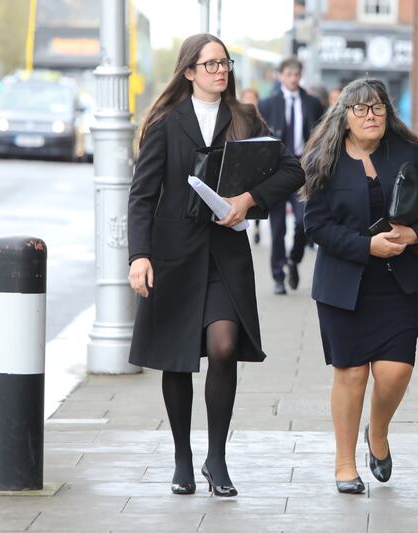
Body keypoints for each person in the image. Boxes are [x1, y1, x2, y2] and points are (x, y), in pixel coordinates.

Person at [127, 34, 304, 497]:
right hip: (173, 255)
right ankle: (183, 457)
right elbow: (142, 196)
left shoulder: (244, 118)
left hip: (225, 255)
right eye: (210, 64)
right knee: (177, 358)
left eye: (225, 62)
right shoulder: (167, 123)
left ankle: (216, 458)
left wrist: (248, 200)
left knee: (224, 346)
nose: (221, 71)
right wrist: (138, 256)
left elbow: (292, 170)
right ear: (189, 72)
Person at [302, 78, 418, 494]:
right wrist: (367, 246)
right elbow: (316, 225)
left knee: (395, 371)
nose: (371, 116)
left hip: (397, 282)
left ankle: (378, 431)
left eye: (378, 108)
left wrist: (412, 235)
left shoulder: (407, 154)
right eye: (362, 109)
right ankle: (345, 464)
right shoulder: (323, 159)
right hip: (343, 285)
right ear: (344, 117)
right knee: (350, 374)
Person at [258, 57, 325, 294]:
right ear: (280, 75)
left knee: (303, 222)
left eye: (297, 74)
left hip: (302, 169)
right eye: (289, 74)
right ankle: (277, 276)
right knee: (277, 228)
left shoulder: (313, 103)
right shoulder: (267, 104)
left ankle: (294, 260)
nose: (294, 79)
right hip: (276, 172)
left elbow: (321, 135)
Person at [239, 87, 266, 245]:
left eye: (253, 98)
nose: (250, 101)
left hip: (258, 162)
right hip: (242, 162)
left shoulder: (260, 119)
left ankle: (256, 225)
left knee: (255, 195)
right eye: (247, 97)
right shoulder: (236, 117)